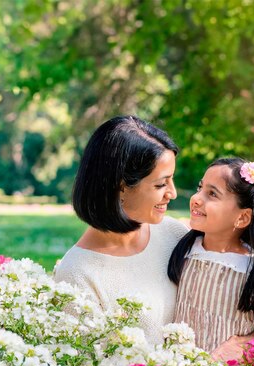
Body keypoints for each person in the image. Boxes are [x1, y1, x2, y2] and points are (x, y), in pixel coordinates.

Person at [53, 115, 188, 344]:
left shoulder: (175, 235)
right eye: (160, 184)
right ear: (121, 187)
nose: (172, 193)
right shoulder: (76, 274)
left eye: (171, 180)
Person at [168, 158, 254, 360]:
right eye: (200, 187)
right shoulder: (183, 251)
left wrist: (241, 349)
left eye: (212, 194)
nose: (196, 198)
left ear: (242, 217)